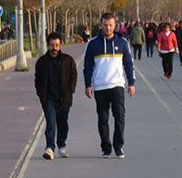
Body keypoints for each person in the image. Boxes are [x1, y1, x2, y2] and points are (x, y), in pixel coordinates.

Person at [83, 13, 136, 159]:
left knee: (119, 116)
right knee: (103, 118)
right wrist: (88, 84)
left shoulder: (123, 43)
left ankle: (118, 146)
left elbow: (129, 64)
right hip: (100, 86)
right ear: (101, 25)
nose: (108, 27)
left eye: (111, 25)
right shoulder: (93, 44)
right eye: (105, 25)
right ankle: (106, 148)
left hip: (117, 85)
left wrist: (131, 83)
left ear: (115, 25)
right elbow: (87, 66)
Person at [35, 32, 78, 160]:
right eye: (52, 45)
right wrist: (41, 94)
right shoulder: (42, 62)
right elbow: (37, 79)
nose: (54, 48)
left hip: (65, 98)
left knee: (63, 123)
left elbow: (73, 76)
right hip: (48, 99)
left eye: (57, 45)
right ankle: (49, 148)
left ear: (60, 45)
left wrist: (70, 90)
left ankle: (62, 146)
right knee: (51, 123)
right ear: (48, 45)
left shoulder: (68, 60)